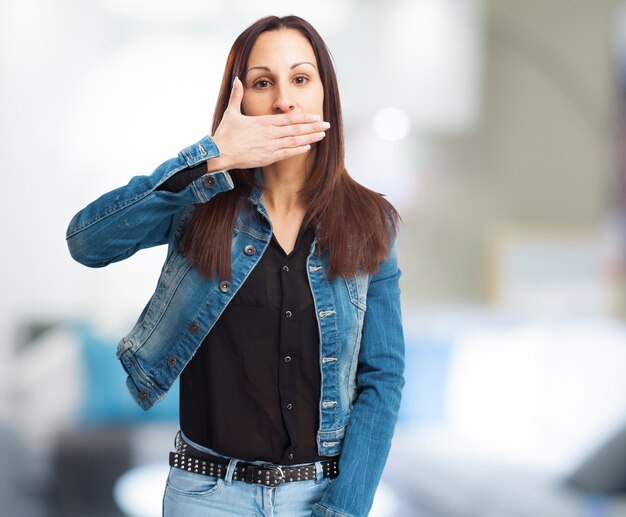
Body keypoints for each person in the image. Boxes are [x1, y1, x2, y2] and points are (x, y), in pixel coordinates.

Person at [66, 14, 405, 517]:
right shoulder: (201, 200)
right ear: (239, 99)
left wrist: (344, 508)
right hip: (205, 496)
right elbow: (87, 242)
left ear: (325, 96)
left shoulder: (368, 219)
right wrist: (210, 159)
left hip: (319, 497)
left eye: (300, 79)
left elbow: (383, 377)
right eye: (264, 82)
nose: (284, 100)